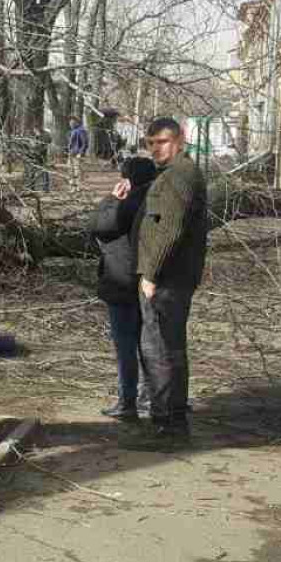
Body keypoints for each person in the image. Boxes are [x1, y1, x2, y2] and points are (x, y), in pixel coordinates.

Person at [122, 117, 208, 447]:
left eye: (163, 142)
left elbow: (171, 230)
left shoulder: (180, 176)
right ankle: (171, 422)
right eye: (151, 143)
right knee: (166, 348)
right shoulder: (171, 175)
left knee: (160, 351)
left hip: (165, 280)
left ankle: (167, 427)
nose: (156, 148)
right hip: (166, 279)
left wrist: (151, 275)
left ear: (180, 141)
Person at [91, 156, 160, 421]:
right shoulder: (154, 199)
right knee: (147, 344)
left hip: (122, 283)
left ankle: (128, 401)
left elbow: (97, 225)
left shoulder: (127, 203)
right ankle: (147, 398)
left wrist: (111, 198)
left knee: (126, 346)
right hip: (144, 283)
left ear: (127, 180)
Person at [66, 117, 89, 191]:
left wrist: (80, 153)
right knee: (70, 170)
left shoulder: (81, 130)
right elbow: (71, 143)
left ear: (76, 123)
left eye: (72, 123)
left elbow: (85, 144)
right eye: (70, 123)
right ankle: (72, 187)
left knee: (77, 171)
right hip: (71, 153)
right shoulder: (73, 131)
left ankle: (78, 187)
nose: (70, 124)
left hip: (77, 155)